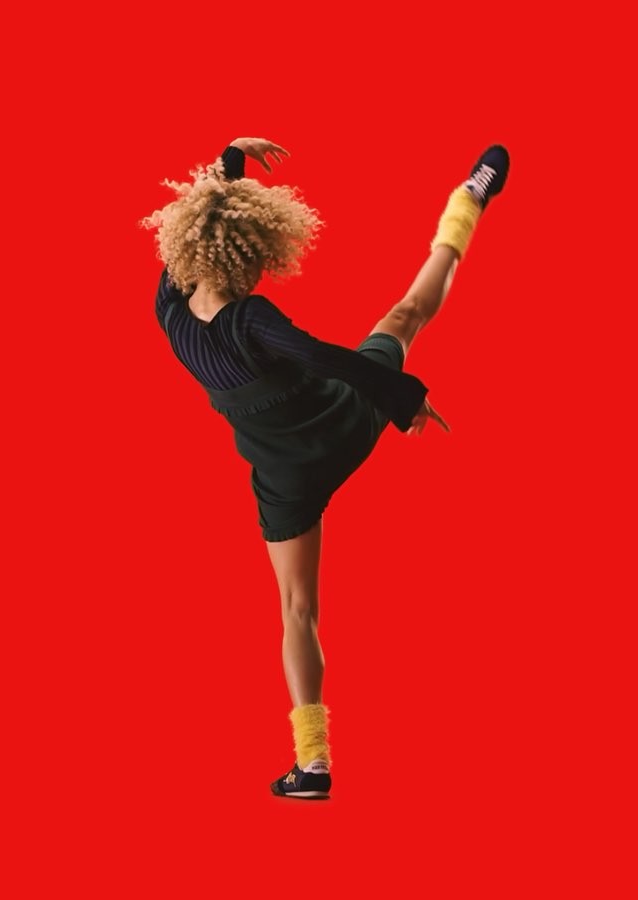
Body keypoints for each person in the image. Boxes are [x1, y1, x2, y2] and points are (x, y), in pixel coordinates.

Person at [140, 137, 510, 799]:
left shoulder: (169, 310)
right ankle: (468, 202)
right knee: (405, 315)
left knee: (298, 610)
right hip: (343, 419)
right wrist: (403, 397)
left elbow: (196, 233)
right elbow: (325, 358)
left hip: (286, 476)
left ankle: (312, 764)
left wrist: (229, 161)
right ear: (250, 252)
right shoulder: (250, 319)